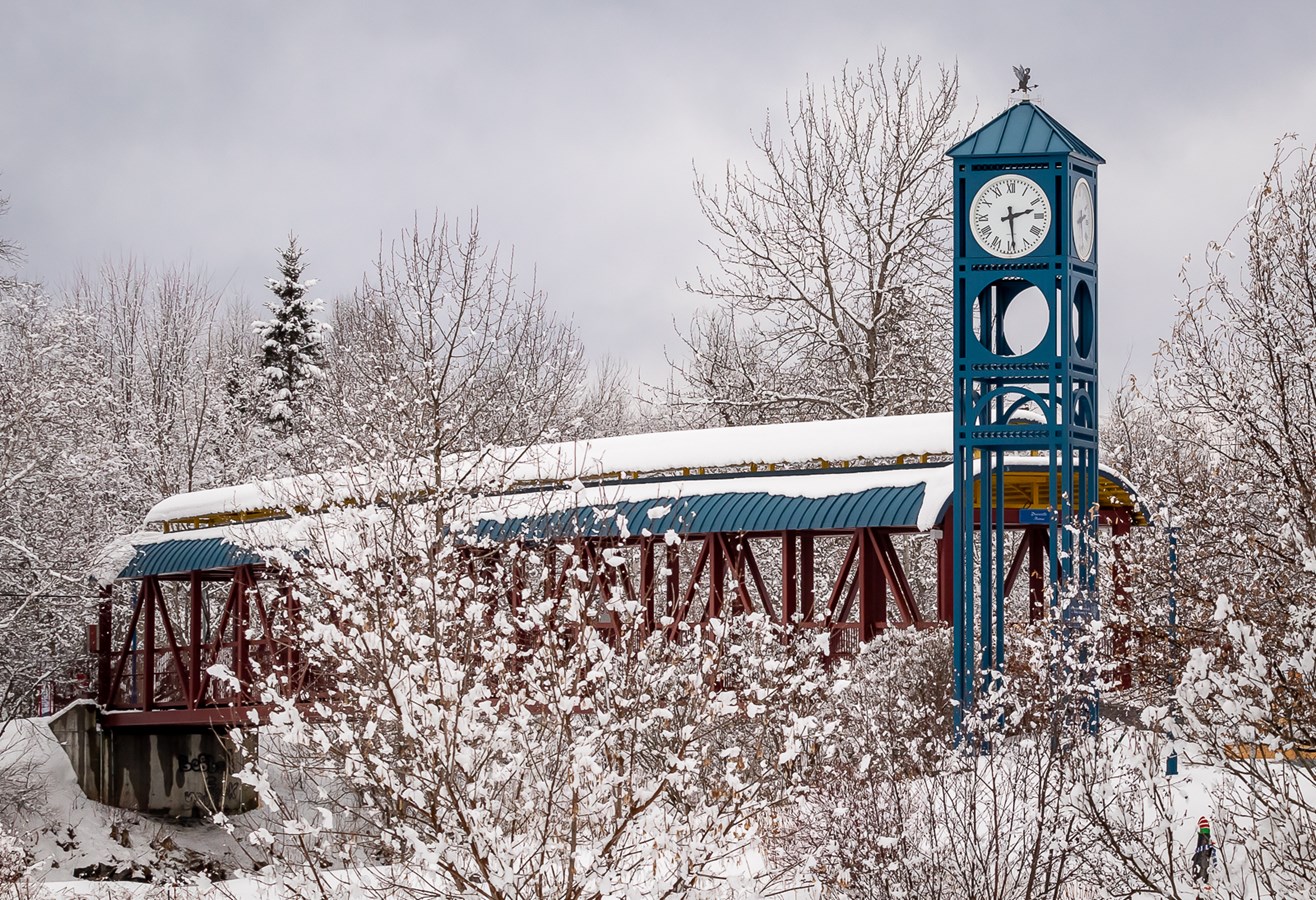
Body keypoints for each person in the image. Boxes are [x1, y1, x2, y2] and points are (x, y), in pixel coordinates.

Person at [1192, 816, 1215, 885]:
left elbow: (1201, 859)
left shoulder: (1202, 843)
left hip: (1201, 877)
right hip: (1204, 875)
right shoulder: (1207, 843)